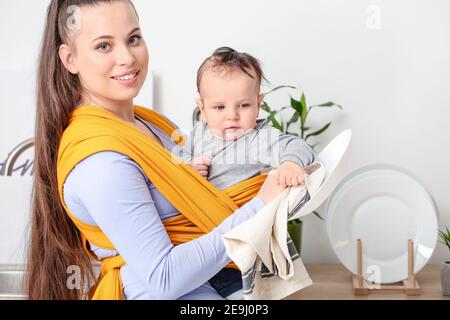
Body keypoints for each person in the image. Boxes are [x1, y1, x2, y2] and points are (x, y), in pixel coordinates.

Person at [26, 0, 286, 300]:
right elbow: (164, 279)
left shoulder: (153, 125)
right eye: (103, 46)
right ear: (70, 59)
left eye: (133, 39)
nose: (126, 57)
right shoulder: (101, 162)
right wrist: (261, 206)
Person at [181, 47, 316, 298]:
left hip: (239, 250)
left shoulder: (258, 138)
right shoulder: (198, 135)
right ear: (202, 106)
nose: (232, 116)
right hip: (198, 243)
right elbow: (174, 164)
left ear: (258, 103)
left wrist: (290, 164)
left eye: (243, 105)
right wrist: (188, 168)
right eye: (219, 107)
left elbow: (297, 146)